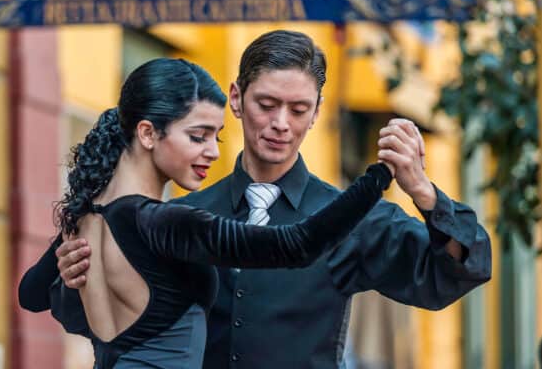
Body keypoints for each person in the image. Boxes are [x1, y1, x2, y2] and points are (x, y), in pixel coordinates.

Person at [56, 30, 492, 368]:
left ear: (317, 111)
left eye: (298, 109)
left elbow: (453, 270)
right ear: (236, 99)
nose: (281, 123)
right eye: (267, 104)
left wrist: (424, 193)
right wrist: (75, 280)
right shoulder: (179, 215)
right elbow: (104, 324)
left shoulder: (353, 220)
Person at [18, 58, 395, 368]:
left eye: (216, 137)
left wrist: (70, 281)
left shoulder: (85, 216)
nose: (213, 152)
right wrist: (379, 176)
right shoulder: (163, 222)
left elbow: (31, 295)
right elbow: (298, 243)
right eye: (198, 137)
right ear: (148, 134)